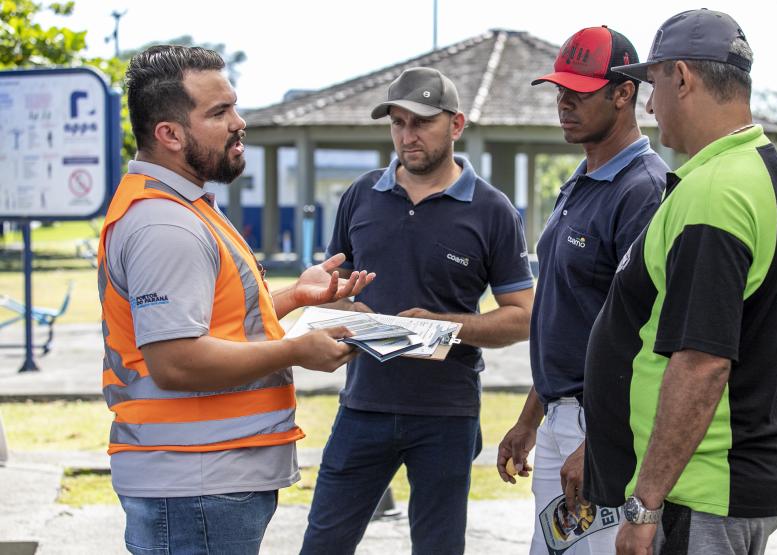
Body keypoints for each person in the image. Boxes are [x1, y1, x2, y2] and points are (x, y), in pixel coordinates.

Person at [98, 44, 374, 554]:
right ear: (170, 134)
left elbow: (211, 321)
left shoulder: (185, 207)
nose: (238, 122)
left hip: (204, 481)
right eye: (219, 112)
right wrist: (298, 349)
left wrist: (293, 297)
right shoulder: (165, 223)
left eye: (234, 106)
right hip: (194, 483)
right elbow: (177, 361)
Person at [582, 9, 777, 555]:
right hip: (730, 476)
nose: (651, 106)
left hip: (701, 490)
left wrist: (645, 504)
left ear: (681, 77)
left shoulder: (715, 192)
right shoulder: (763, 166)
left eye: (653, 85)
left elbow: (702, 361)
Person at [300, 66, 535, 554]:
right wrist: (344, 302)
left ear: (456, 125)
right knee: (323, 545)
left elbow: (523, 314)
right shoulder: (361, 195)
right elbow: (332, 284)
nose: (408, 136)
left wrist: (447, 326)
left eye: (422, 122)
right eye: (398, 122)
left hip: (446, 414)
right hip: (363, 406)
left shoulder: (493, 211)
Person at [496, 26, 667, 554]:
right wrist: (531, 418)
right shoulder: (582, 178)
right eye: (558, 89)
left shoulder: (642, 189)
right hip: (561, 416)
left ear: (624, 93)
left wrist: (602, 444)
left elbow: (643, 334)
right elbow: (565, 317)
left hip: (603, 425)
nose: (563, 102)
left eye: (579, 91)